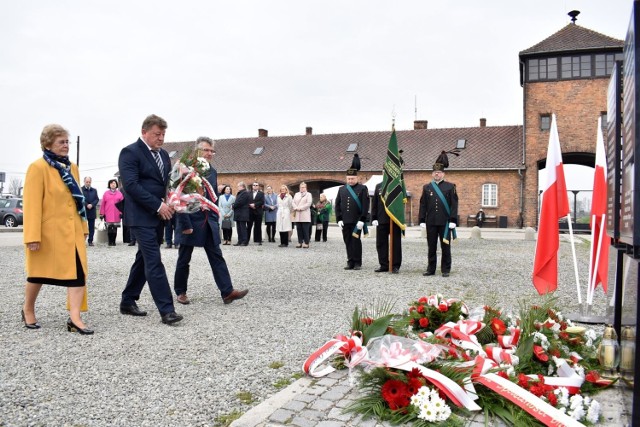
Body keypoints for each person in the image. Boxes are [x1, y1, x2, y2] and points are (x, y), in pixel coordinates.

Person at [22, 124, 93, 334]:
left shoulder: (72, 167)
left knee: (78, 274)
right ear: (48, 144)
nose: (66, 146)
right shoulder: (38, 168)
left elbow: (77, 201)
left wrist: (84, 226)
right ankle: (27, 309)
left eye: (67, 142)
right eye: (61, 142)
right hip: (47, 234)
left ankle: (75, 319)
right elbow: (32, 204)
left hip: (72, 232)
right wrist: (32, 236)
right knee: (38, 275)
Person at [118, 114, 183, 325]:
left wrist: (172, 198)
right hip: (140, 215)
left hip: (159, 215)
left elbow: (166, 183)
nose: (161, 138)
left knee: (143, 259)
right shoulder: (130, 152)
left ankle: (128, 300)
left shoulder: (164, 155)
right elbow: (131, 185)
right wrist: (157, 204)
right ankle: (167, 310)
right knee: (154, 260)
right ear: (144, 132)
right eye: (157, 134)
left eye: (163, 134)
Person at [174, 137, 248, 305]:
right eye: (206, 150)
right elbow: (177, 196)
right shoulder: (184, 168)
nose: (209, 153)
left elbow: (213, 197)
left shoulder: (212, 171)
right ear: (196, 151)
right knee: (184, 258)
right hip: (190, 219)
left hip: (208, 221)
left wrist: (215, 217)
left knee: (217, 256)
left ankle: (227, 291)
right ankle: (181, 291)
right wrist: (184, 223)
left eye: (211, 151)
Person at [419, 151, 459, 277]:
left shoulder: (450, 186)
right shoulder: (427, 187)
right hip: (431, 221)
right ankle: (431, 269)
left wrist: (453, 220)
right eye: (435, 172)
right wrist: (421, 220)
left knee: (445, 247)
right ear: (432, 174)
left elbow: (454, 204)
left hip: (445, 222)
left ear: (443, 173)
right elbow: (423, 204)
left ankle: (445, 269)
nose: (437, 174)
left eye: (439, 172)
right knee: (431, 247)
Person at [335, 154, 370, 270]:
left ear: (357, 178)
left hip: (356, 221)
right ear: (346, 178)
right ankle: (350, 261)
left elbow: (365, 205)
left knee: (356, 241)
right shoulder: (342, 189)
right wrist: (338, 219)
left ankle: (357, 262)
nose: (350, 180)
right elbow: (337, 205)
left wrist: (362, 220)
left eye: (352, 179)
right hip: (345, 221)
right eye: (349, 179)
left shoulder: (362, 189)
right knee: (347, 241)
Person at [371, 182, 402, 273]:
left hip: (394, 219)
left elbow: (401, 203)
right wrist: (374, 217)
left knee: (395, 244)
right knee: (381, 244)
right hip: (381, 219)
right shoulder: (379, 186)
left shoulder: (398, 183)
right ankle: (384, 265)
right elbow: (375, 203)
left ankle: (395, 265)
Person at [99, 179, 124, 246]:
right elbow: (103, 204)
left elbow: (122, 204)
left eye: (114, 183)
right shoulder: (106, 193)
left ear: (116, 185)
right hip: (108, 213)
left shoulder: (119, 194)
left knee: (115, 228)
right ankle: (110, 241)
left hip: (116, 213)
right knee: (109, 228)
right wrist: (102, 213)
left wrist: (122, 212)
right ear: (109, 185)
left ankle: (114, 241)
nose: (113, 184)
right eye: (111, 183)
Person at [292, 182, 313, 248]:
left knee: (305, 229)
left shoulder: (308, 194)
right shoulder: (296, 194)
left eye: (303, 187)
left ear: (306, 188)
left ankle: (306, 242)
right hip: (297, 214)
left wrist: (301, 208)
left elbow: (308, 203)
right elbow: (293, 202)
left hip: (305, 214)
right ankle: (299, 242)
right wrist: (295, 207)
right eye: (301, 187)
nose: (302, 188)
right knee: (299, 229)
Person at [82, 176, 99, 247]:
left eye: (89, 182)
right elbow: (80, 198)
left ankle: (90, 241)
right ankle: (82, 241)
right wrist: (86, 204)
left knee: (91, 227)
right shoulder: (80, 189)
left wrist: (92, 204)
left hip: (92, 211)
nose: (88, 183)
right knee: (83, 227)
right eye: (87, 182)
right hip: (83, 211)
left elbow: (96, 199)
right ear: (84, 182)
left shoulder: (94, 190)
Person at [232, 181, 250, 246]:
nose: (237, 187)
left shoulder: (245, 193)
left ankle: (244, 241)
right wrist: (234, 204)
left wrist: (233, 206)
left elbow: (240, 202)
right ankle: (240, 241)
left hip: (243, 213)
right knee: (239, 228)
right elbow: (238, 201)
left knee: (243, 228)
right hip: (239, 213)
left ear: (242, 186)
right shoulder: (240, 193)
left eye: (238, 186)